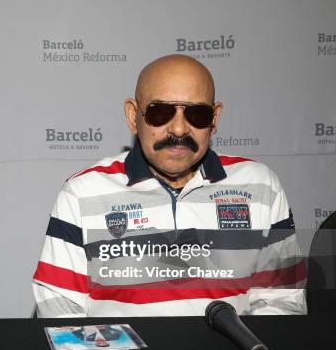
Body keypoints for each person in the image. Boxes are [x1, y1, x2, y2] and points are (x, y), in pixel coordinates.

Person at [33, 54, 306, 317]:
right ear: (133, 116)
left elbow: (281, 302)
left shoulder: (260, 186)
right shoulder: (83, 192)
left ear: (214, 119)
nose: (178, 129)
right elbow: (61, 315)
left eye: (197, 114)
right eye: (160, 112)